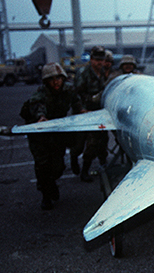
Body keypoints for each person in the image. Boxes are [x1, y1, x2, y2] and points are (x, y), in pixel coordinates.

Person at [19, 62, 84, 210]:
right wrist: (41, 117)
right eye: (52, 79)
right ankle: (45, 196)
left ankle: (50, 183)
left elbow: (76, 101)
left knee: (58, 167)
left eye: (59, 78)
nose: (56, 82)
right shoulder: (40, 94)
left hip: (56, 131)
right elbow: (38, 107)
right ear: (46, 81)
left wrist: (81, 111)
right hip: (39, 133)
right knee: (42, 165)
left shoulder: (68, 90)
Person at [75, 45, 109, 182]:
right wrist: (81, 109)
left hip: (99, 112)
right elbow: (76, 95)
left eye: (101, 59)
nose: (99, 62)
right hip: (86, 112)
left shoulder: (103, 72)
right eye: (96, 59)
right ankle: (83, 170)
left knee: (103, 140)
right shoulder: (84, 73)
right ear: (91, 59)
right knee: (87, 144)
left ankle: (103, 165)